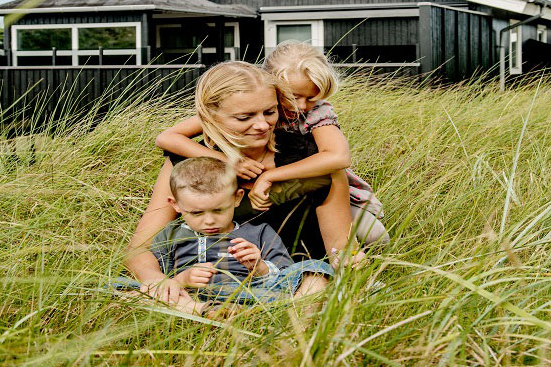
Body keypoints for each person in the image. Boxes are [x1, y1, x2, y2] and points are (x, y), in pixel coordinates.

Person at [126, 61, 353, 308]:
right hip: (206, 281)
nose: (262, 125)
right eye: (244, 117)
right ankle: (207, 312)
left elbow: (340, 246)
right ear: (209, 117)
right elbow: (139, 249)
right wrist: (158, 280)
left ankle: (288, 333)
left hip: (290, 279)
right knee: (127, 291)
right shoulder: (187, 164)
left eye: (269, 112)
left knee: (316, 280)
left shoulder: (311, 158)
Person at [119, 156, 332, 316]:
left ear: (238, 198)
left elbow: (285, 273)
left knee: (314, 271)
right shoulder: (172, 234)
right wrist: (182, 280)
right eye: (197, 213)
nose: (209, 221)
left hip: (252, 293)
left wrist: (260, 267)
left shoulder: (257, 231)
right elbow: (161, 276)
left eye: (219, 210)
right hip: (193, 296)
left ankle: (297, 326)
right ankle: (205, 311)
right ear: (175, 205)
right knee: (124, 290)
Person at [262, 40, 389, 246]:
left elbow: (338, 156)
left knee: (376, 237)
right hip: (278, 194)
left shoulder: (316, 112)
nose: (302, 105)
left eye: (311, 97)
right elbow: (193, 129)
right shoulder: (256, 107)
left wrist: (271, 175)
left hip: (323, 187)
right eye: (293, 97)